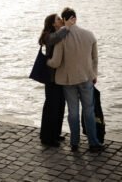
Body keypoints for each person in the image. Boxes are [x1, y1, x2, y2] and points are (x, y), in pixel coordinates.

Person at [47, 8, 104, 152]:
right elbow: (95, 58)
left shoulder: (62, 38)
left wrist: (47, 62)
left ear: (65, 20)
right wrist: (94, 74)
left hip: (68, 81)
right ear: (75, 18)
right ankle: (93, 142)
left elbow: (56, 62)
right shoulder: (89, 35)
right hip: (86, 78)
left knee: (73, 112)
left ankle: (74, 142)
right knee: (89, 110)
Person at [38, 13, 75, 147]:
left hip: (58, 77)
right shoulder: (49, 36)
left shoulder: (56, 33)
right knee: (52, 107)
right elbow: (57, 37)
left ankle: (54, 134)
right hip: (51, 78)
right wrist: (67, 26)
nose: (61, 20)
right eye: (58, 19)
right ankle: (47, 137)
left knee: (59, 105)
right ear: (53, 24)